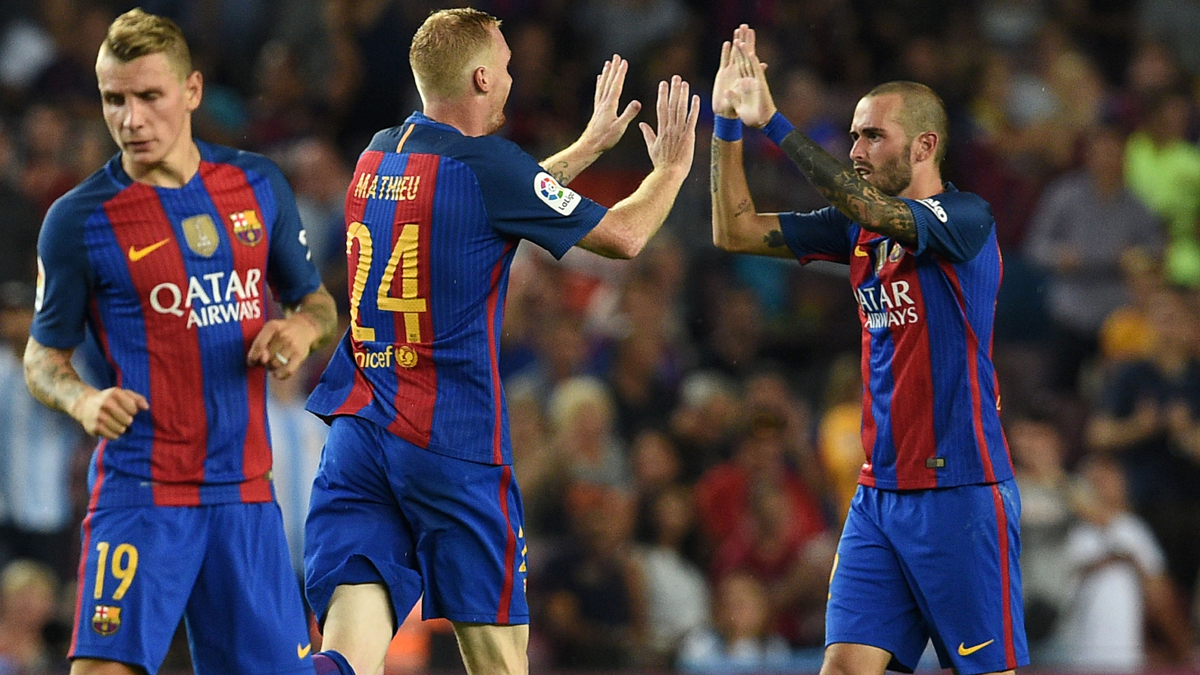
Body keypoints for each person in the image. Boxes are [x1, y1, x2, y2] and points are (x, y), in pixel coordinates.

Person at [302, 8, 699, 675]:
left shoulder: (377, 154)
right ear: (483, 77)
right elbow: (623, 237)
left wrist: (586, 147)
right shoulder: (486, 166)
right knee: (498, 662)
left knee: (347, 652)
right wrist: (672, 173)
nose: (514, 77)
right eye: (508, 66)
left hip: (359, 433)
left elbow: (492, 200)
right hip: (449, 445)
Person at [23, 9, 338, 675]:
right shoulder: (79, 220)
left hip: (246, 495)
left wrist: (300, 329)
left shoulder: (257, 186)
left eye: (148, 97)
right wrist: (81, 401)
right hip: (142, 491)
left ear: (191, 91)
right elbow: (41, 359)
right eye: (115, 100)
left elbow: (316, 301)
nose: (131, 119)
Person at [710, 25, 1026, 675]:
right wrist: (727, 125)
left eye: (871, 135)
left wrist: (772, 119)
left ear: (924, 145)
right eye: (853, 133)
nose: (854, 148)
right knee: (845, 667)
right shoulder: (857, 226)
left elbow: (874, 211)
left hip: (959, 494)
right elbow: (734, 228)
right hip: (878, 496)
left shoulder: (964, 220)